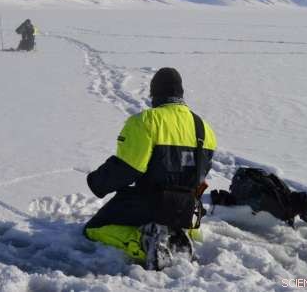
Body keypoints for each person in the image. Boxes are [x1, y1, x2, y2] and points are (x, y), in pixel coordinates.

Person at [83, 68, 217, 269]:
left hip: (150, 203)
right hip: (186, 209)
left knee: (94, 228)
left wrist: (98, 182)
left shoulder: (146, 121)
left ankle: (142, 242)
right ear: (180, 93)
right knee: (169, 211)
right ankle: (175, 233)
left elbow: (128, 168)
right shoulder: (204, 128)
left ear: (155, 93)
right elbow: (201, 173)